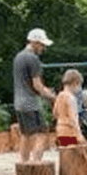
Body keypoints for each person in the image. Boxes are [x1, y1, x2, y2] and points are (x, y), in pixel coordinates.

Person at [13, 28, 57, 163]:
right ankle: (36, 164)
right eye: (42, 44)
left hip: (18, 103)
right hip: (31, 104)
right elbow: (37, 86)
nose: (43, 48)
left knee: (26, 135)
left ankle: (23, 163)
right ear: (34, 42)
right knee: (41, 135)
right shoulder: (33, 59)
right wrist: (52, 96)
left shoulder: (18, 57)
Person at [52, 69, 86, 147]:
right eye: (79, 85)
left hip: (60, 131)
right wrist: (79, 134)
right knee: (75, 156)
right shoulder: (71, 98)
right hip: (70, 132)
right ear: (75, 83)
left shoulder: (59, 96)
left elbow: (55, 114)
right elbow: (73, 118)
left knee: (66, 156)